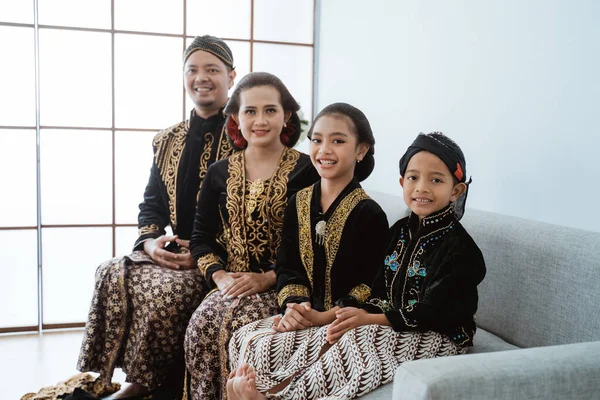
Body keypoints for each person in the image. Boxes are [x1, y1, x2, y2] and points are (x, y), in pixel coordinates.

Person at [227, 132, 487, 399]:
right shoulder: (400, 232)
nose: (422, 187)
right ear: (401, 182)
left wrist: (370, 320)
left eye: (436, 180)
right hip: (389, 322)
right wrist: (325, 318)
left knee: (356, 342)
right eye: (413, 177)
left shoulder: (460, 249)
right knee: (328, 334)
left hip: (439, 336)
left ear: (456, 190)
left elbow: (437, 312)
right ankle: (268, 388)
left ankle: (277, 397)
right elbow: (379, 290)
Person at [77, 35, 237, 399]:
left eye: (212, 69)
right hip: (172, 249)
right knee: (111, 270)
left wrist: (202, 252)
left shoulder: (248, 136)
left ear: (231, 76)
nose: (202, 78)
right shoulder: (167, 140)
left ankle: (151, 385)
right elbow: (151, 204)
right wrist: (151, 242)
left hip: (221, 256)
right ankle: (126, 377)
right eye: (192, 70)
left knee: (164, 292)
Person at [184, 72, 320, 400]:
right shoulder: (218, 172)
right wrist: (219, 277)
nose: (260, 120)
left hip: (287, 286)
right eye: (250, 111)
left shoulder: (308, 170)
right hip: (231, 284)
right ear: (236, 118)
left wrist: (267, 279)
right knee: (201, 325)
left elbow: (316, 243)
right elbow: (200, 236)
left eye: (270, 110)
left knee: (231, 328)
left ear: (287, 116)